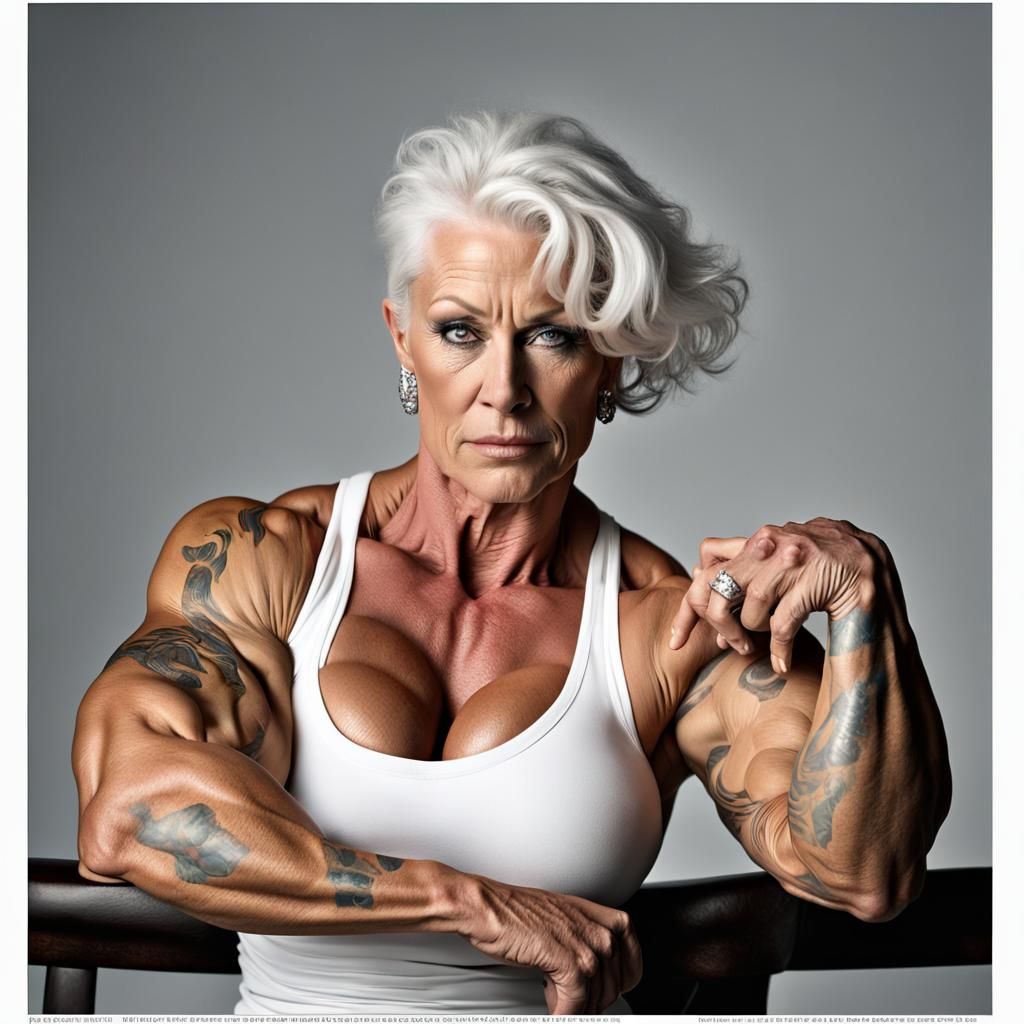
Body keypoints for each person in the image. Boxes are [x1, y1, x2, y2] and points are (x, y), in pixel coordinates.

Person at [71, 111, 952, 1016]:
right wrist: (470, 903)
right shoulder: (269, 561)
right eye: (460, 331)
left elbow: (861, 874)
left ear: (609, 362)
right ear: (400, 338)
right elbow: (131, 815)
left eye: (553, 335)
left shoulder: (668, 629)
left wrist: (863, 597)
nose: (504, 387)